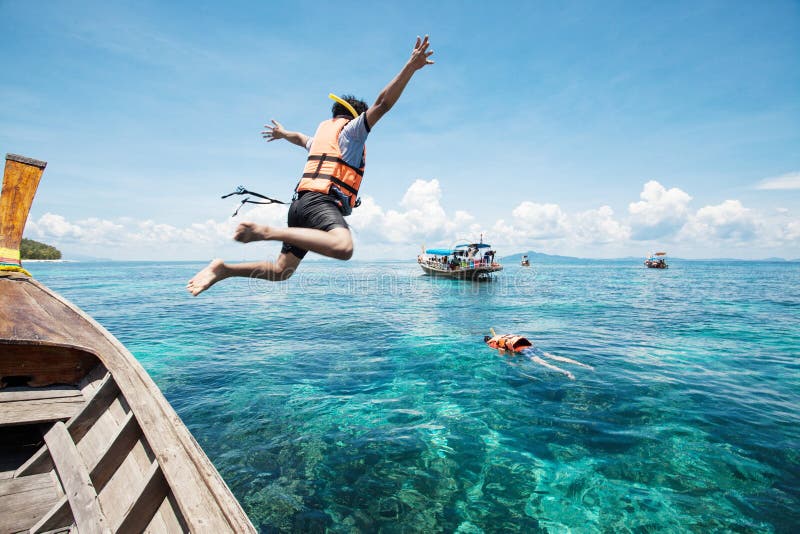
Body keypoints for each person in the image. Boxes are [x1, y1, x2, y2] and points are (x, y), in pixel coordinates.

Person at [187, 36, 434, 296]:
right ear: (354, 115)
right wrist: (410, 67)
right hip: (320, 203)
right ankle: (267, 232)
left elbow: (300, 139)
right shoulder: (351, 131)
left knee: (282, 271)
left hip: (299, 206)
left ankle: (224, 269)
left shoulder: (321, 139)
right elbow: (383, 104)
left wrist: (283, 134)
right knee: (343, 247)